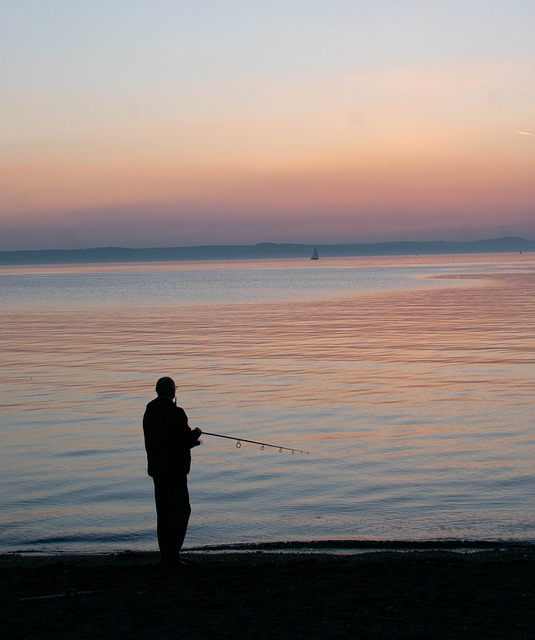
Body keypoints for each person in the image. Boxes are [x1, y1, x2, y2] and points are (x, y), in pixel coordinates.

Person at [143, 376, 202, 568]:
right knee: (181, 511)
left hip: (157, 470)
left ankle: (166, 556)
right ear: (172, 391)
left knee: (164, 513)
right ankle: (172, 557)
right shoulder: (176, 413)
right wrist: (196, 435)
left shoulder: (149, 410)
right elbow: (184, 440)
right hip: (174, 471)